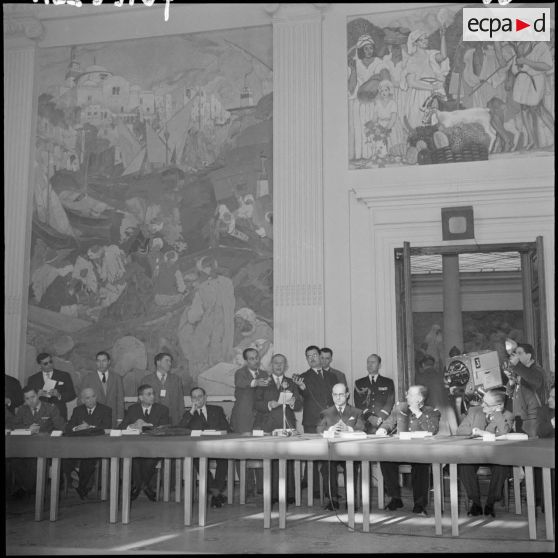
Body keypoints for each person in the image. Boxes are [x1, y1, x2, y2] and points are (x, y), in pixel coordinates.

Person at [376, 385, 441, 515]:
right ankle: (395, 498)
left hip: (419, 452)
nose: (407, 397)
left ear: (420, 398)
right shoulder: (400, 407)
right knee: (385, 460)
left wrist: (418, 413)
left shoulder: (431, 411)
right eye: (407, 394)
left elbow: (432, 429)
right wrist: (383, 429)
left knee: (421, 465)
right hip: (399, 450)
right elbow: (389, 422)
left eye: (410, 395)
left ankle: (419, 503)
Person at [456, 389, 514, 517]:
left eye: (487, 404)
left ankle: (490, 503)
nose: (482, 405)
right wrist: (476, 431)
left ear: (499, 406)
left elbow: (504, 432)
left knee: (502, 467)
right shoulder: (474, 411)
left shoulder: (508, 415)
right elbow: (460, 430)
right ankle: (475, 503)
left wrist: (497, 415)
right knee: (464, 466)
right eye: (483, 402)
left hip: (496, 456)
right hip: (475, 454)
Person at [254, 354, 302, 505]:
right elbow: (256, 404)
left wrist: (294, 403)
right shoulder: (263, 382)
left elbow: (299, 405)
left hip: (287, 425)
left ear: (286, 366)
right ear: (271, 365)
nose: (278, 366)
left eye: (282, 363)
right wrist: (269, 404)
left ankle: (289, 494)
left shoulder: (291, 383)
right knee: (271, 461)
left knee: (288, 460)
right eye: (276, 363)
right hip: (268, 425)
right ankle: (272, 494)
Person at [292, 345, 338, 500]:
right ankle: (315, 491)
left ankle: (330, 490)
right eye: (308, 356)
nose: (311, 358)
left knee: (330, 457)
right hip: (312, 421)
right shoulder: (303, 377)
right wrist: (302, 387)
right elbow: (304, 395)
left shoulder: (332, 376)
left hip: (330, 421)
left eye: (314, 355)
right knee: (313, 457)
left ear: (320, 356)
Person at [178, 387, 231, 508]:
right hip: (199, 449)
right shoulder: (189, 414)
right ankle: (217, 493)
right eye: (194, 397)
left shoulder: (217, 410)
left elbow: (226, 427)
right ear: (191, 399)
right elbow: (181, 428)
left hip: (217, 446)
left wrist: (215, 432)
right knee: (199, 462)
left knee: (223, 461)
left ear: (205, 397)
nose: (197, 399)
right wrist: (191, 411)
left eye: (200, 396)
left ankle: (215, 492)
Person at [317, 383, 366, 510]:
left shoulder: (356, 412)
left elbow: (362, 428)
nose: (338, 398)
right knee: (327, 466)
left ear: (347, 395)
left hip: (350, 452)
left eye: (341, 394)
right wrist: (331, 428)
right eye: (335, 395)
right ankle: (332, 500)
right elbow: (319, 429)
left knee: (352, 466)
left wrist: (349, 429)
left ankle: (351, 499)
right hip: (332, 452)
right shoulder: (326, 413)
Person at [11, 386, 65, 498]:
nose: (31, 401)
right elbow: (12, 426)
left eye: (33, 397)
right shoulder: (22, 410)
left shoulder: (50, 408)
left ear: (38, 396)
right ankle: (29, 488)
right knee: (14, 460)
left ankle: (30, 489)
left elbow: (61, 427)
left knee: (34, 460)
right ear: (24, 400)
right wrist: (27, 428)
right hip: (25, 446)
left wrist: (46, 435)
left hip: (45, 446)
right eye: (27, 398)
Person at [120, 384, 170, 502]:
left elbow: (164, 428)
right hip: (136, 446)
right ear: (141, 398)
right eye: (149, 394)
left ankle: (138, 486)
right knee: (134, 458)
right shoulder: (133, 409)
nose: (152, 396)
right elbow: (121, 427)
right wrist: (131, 425)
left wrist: (146, 426)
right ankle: (145, 486)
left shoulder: (162, 409)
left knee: (150, 459)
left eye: (153, 394)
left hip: (154, 447)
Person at [63, 387, 112, 500]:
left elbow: (106, 427)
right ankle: (77, 480)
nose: (91, 400)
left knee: (88, 460)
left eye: (93, 396)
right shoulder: (77, 410)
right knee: (64, 458)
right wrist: (78, 427)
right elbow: (68, 428)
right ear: (82, 400)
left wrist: (89, 427)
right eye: (87, 398)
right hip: (77, 446)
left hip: (96, 446)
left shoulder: (106, 410)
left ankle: (80, 485)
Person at [399, 28, 449, 130]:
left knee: (436, 123)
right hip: (420, 94)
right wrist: (431, 87)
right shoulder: (412, 60)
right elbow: (411, 82)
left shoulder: (431, 55)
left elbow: (443, 56)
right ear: (415, 43)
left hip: (435, 93)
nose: (425, 41)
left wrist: (443, 36)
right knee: (419, 122)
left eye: (426, 38)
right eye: (422, 40)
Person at [504, 343, 546, 437]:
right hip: (520, 417)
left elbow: (535, 381)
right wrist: (511, 381)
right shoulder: (521, 371)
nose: (516, 356)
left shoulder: (537, 370)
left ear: (529, 355)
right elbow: (510, 393)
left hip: (532, 418)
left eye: (519, 353)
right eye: (516, 353)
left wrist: (517, 365)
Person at [26, 352, 76, 421]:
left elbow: (72, 394)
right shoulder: (32, 379)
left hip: (59, 414)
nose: (49, 365)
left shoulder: (64, 375)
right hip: (39, 415)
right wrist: (37, 395)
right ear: (40, 365)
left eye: (50, 362)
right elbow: (27, 398)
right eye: (45, 363)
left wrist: (59, 395)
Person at [230, 348, 270, 434]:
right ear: (246, 361)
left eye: (257, 358)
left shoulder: (264, 374)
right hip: (244, 416)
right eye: (252, 359)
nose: (256, 361)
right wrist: (256, 382)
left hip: (260, 416)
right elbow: (240, 382)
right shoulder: (240, 373)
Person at [80, 351, 124, 428]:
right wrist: (84, 419)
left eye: (104, 361)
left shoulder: (117, 377)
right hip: (93, 419)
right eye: (98, 361)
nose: (101, 363)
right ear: (96, 362)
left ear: (109, 362)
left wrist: (120, 419)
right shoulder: (87, 378)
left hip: (112, 418)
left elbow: (120, 400)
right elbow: (81, 400)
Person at [353, 353, 395, 434]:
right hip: (364, 421)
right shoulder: (359, 383)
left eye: (373, 362)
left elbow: (390, 402)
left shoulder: (388, 382)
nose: (370, 365)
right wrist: (369, 417)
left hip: (382, 422)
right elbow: (358, 403)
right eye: (368, 362)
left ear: (379, 365)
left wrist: (379, 418)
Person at [141, 352, 185, 426]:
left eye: (170, 361)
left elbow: (180, 401)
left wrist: (182, 419)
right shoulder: (147, 380)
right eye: (167, 361)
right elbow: (141, 401)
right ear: (158, 362)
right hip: (153, 419)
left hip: (173, 419)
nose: (170, 364)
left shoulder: (176, 379)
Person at [534, 384, 554, 511]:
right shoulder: (543, 410)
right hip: (548, 454)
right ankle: (547, 502)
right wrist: (553, 422)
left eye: (553, 397)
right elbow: (540, 432)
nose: (549, 400)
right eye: (550, 396)